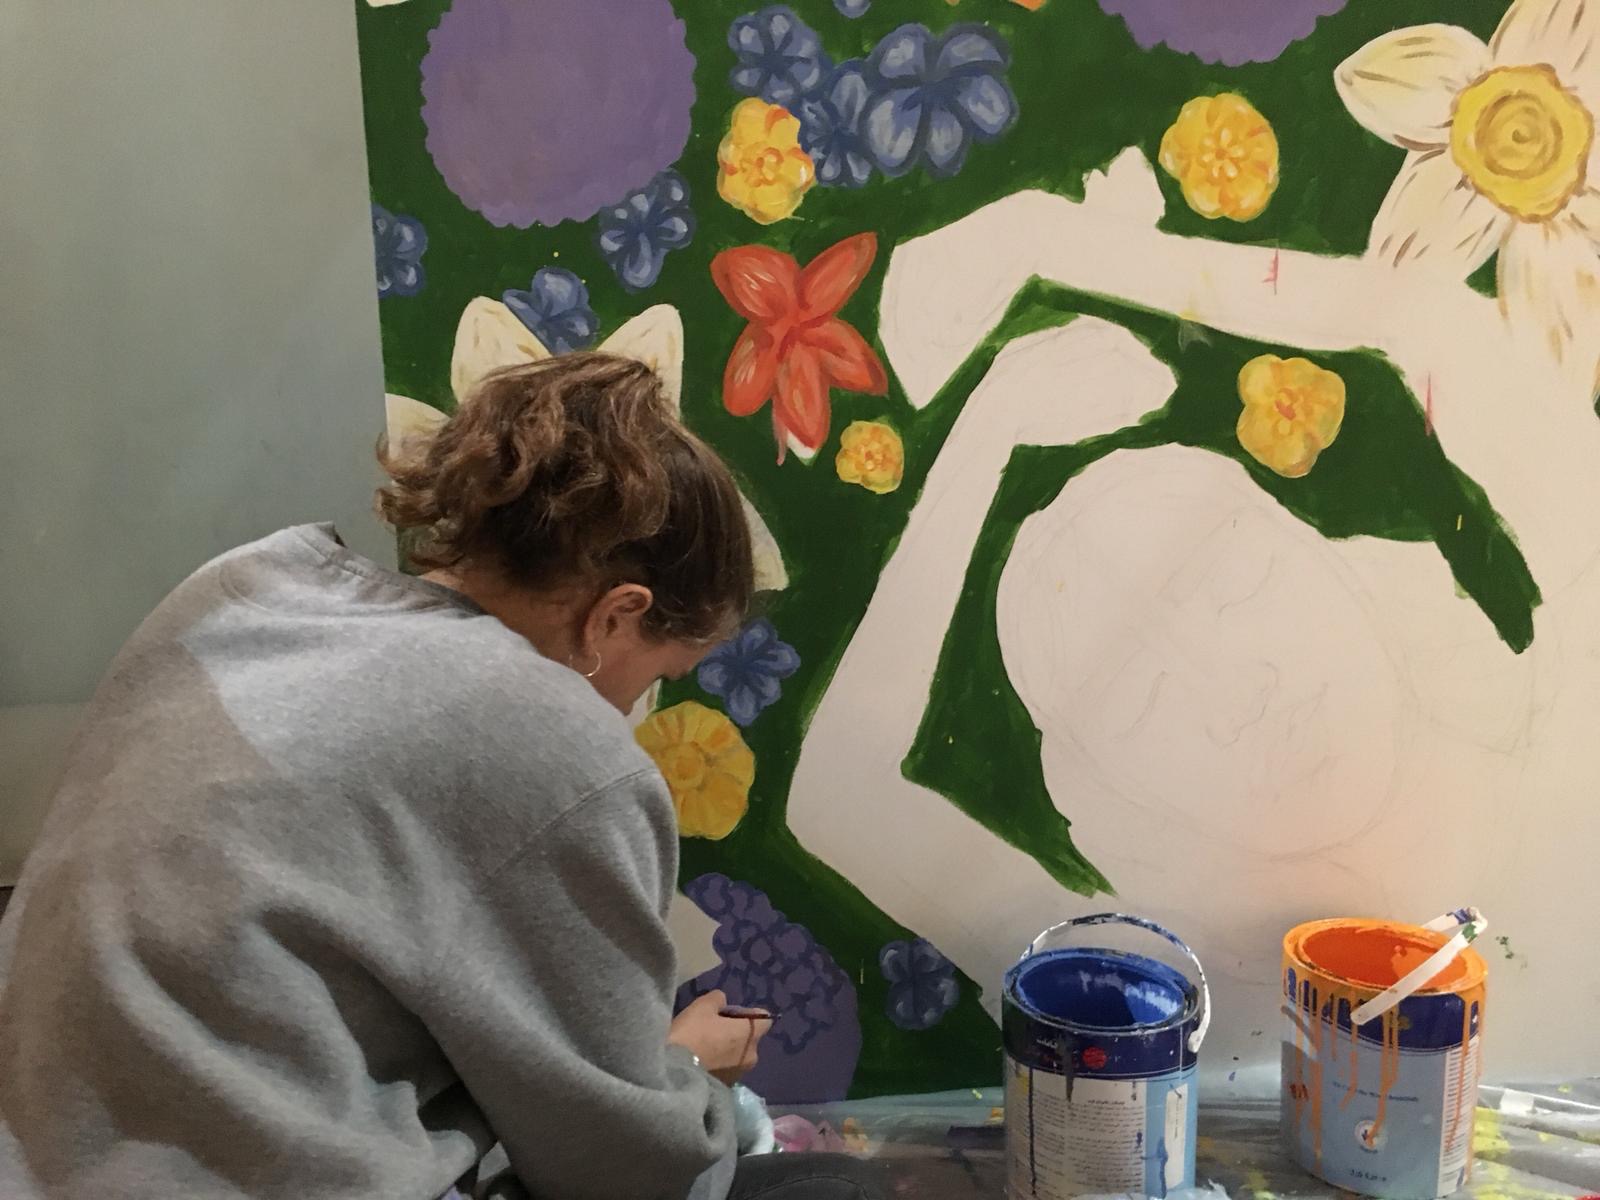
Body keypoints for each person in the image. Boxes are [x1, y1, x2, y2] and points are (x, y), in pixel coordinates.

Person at [0, 354, 883, 1200]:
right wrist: (687, 1070)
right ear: (617, 615)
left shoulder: (245, 586)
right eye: (653, 674)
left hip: (37, 1149)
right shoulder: (555, 737)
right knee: (831, 1187)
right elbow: (629, 1173)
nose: (628, 709)